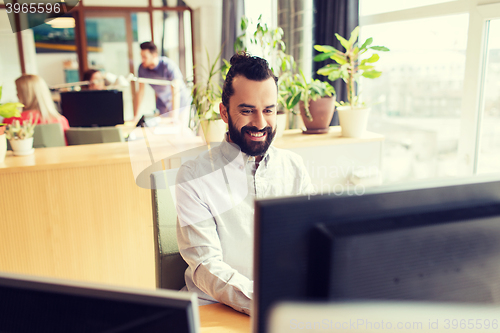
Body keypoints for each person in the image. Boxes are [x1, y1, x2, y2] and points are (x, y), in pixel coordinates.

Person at [175, 53, 313, 315]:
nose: (260, 123)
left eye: (268, 110)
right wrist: (265, 303)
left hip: (285, 307)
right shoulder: (193, 175)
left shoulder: (294, 167)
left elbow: (309, 244)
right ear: (225, 113)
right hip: (215, 308)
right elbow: (205, 264)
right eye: (247, 110)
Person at [3, 74, 70, 137]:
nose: (16, 95)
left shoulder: (10, 121)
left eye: (17, 91)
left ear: (22, 95)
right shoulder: (59, 120)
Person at [135, 41, 190, 117]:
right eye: (141, 57)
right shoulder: (142, 68)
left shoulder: (168, 65)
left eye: (145, 57)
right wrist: (135, 117)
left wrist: (174, 116)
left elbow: (175, 91)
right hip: (163, 105)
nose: (142, 60)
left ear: (154, 55)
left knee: (178, 126)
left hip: (181, 103)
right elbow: (140, 92)